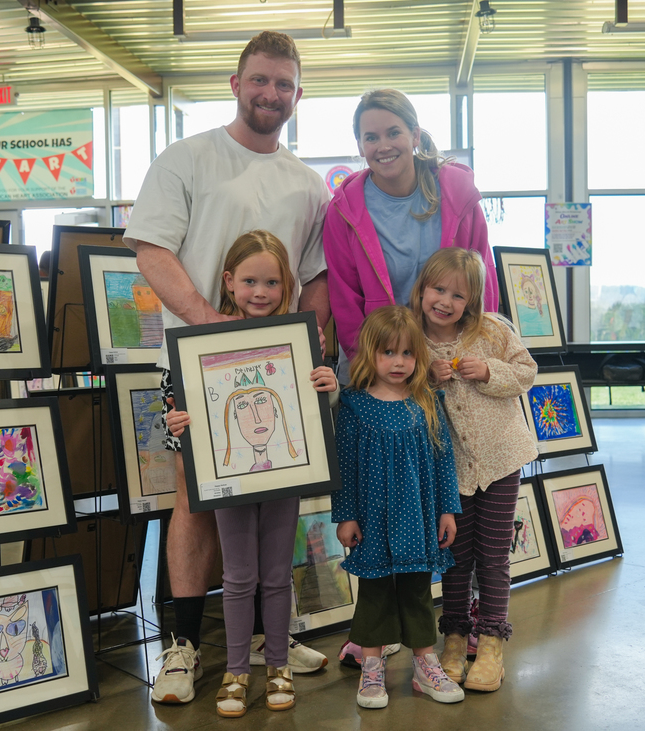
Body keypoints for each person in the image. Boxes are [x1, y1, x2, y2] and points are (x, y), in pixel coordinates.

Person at [122, 31, 331, 704]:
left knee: (278, 498)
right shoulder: (187, 158)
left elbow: (317, 276)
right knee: (195, 500)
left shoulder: (306, 183)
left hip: (279, 370)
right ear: (237, 83)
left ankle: (272, 636)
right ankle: (183, 645)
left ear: (298, 95)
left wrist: (311, 347)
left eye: (284, 84)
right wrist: (209, 326)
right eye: (261, 80)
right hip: (196, 363)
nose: (271, 93)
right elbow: (153, 250)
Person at [166, 231, 337, 717]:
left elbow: (314, 403)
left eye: (271, 282)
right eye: (249, 281)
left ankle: (278, 666)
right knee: (239, 577)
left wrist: (328, 382)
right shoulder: (202, 343)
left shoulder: (301, 341)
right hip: (230, 478)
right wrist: (176, 422)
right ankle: (236, 670)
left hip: (284, 475)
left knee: (277, 576)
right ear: (229, 282)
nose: (260, 292)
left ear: (287, 286)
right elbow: (177, 408)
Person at [409, 248, 537, 692]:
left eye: (457, 295)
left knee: (493, 555)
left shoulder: (492, 331)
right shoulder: (411, 338)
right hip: (450, 470)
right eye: (438, 289)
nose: (445, 301)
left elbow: (526, 372)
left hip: (501, 459)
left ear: (473, 301)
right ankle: (456, 636)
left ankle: (491, 643)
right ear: (422, 288)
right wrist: (425, 378)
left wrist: (490, 371)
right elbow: (396, 386)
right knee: (456, 557)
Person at [332, 305, 464, 708]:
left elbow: (444, 460)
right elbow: (345, 465)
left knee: (417, 589)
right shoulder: (353, 406)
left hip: (418, 516)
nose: (398, 362)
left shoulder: (426, 400)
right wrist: (346, 515)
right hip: (371, 519)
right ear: (369, 354)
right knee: (373, 591)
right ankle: (372, 667)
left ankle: (425, 663)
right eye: (388, 353)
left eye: (407, 354)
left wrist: (447, 510)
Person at [323, 88, 499, 388]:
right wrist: (378, 371)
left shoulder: (459, 196)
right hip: (379, 371)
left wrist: (482, 353)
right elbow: (346, 304)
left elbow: (484, 287)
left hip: (452, 367)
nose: (383, 146)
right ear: (360, 145)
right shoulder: (343, 211)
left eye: (394, 133)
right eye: (371, 137)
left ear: (415, 135)